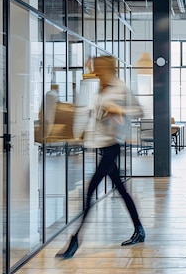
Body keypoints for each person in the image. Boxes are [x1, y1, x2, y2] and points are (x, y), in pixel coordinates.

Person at [56, 55, 145, 259]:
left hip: (112, 145)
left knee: (90, 191)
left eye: (98, 70)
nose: (96, 73)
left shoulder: (120, 88)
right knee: (122, 190)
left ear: (108, 70)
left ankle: (75, 240)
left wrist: (118, 109)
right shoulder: (101, 88)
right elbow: (96, 112)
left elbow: (139, 110)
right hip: (101, 146)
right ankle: (139, 230)